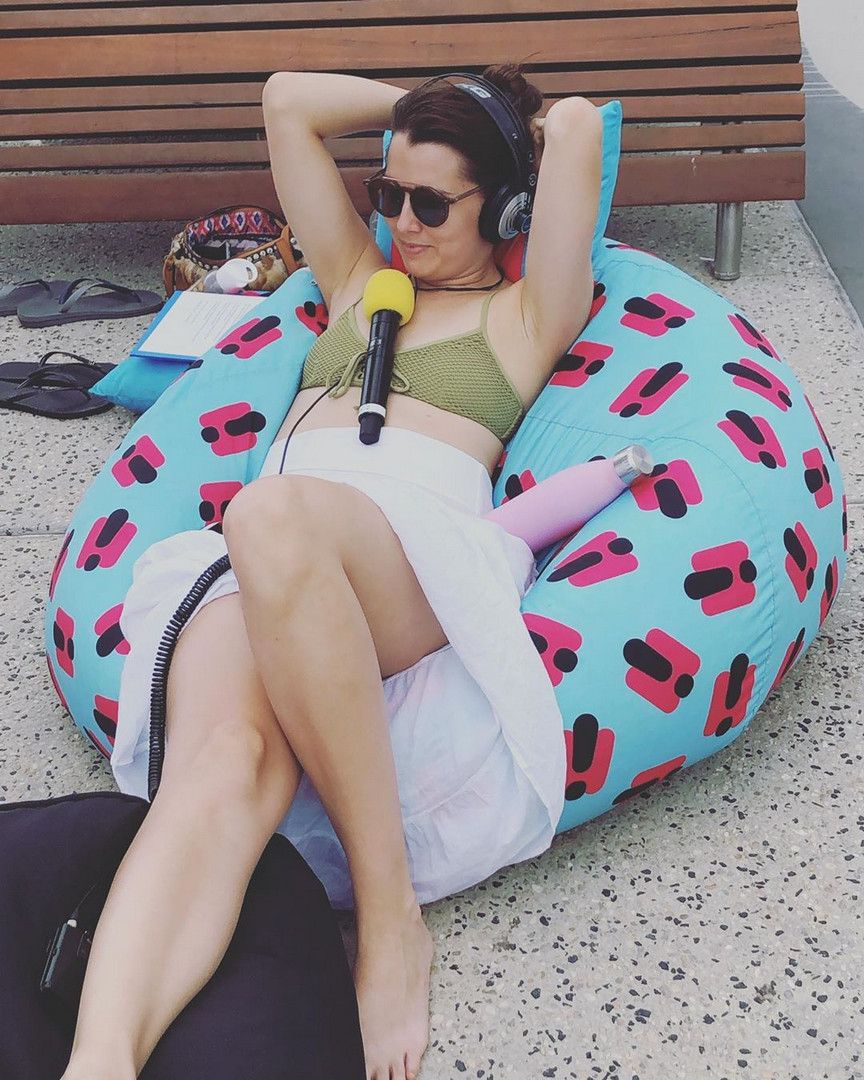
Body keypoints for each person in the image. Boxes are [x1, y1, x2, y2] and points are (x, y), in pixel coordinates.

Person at [60, 65, 602, 1080]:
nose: (402, 222)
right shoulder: (359, 281)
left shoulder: (530, 315)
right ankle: (101, 1057)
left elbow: (575, 125)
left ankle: (390, 919)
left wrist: (498, 118)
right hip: (269, 558)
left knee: (267, 512)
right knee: (225, 765)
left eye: (433, 204)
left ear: (507, 211)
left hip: (409, 558)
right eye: (387, 193)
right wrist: (424, 108)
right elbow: (285, 101)